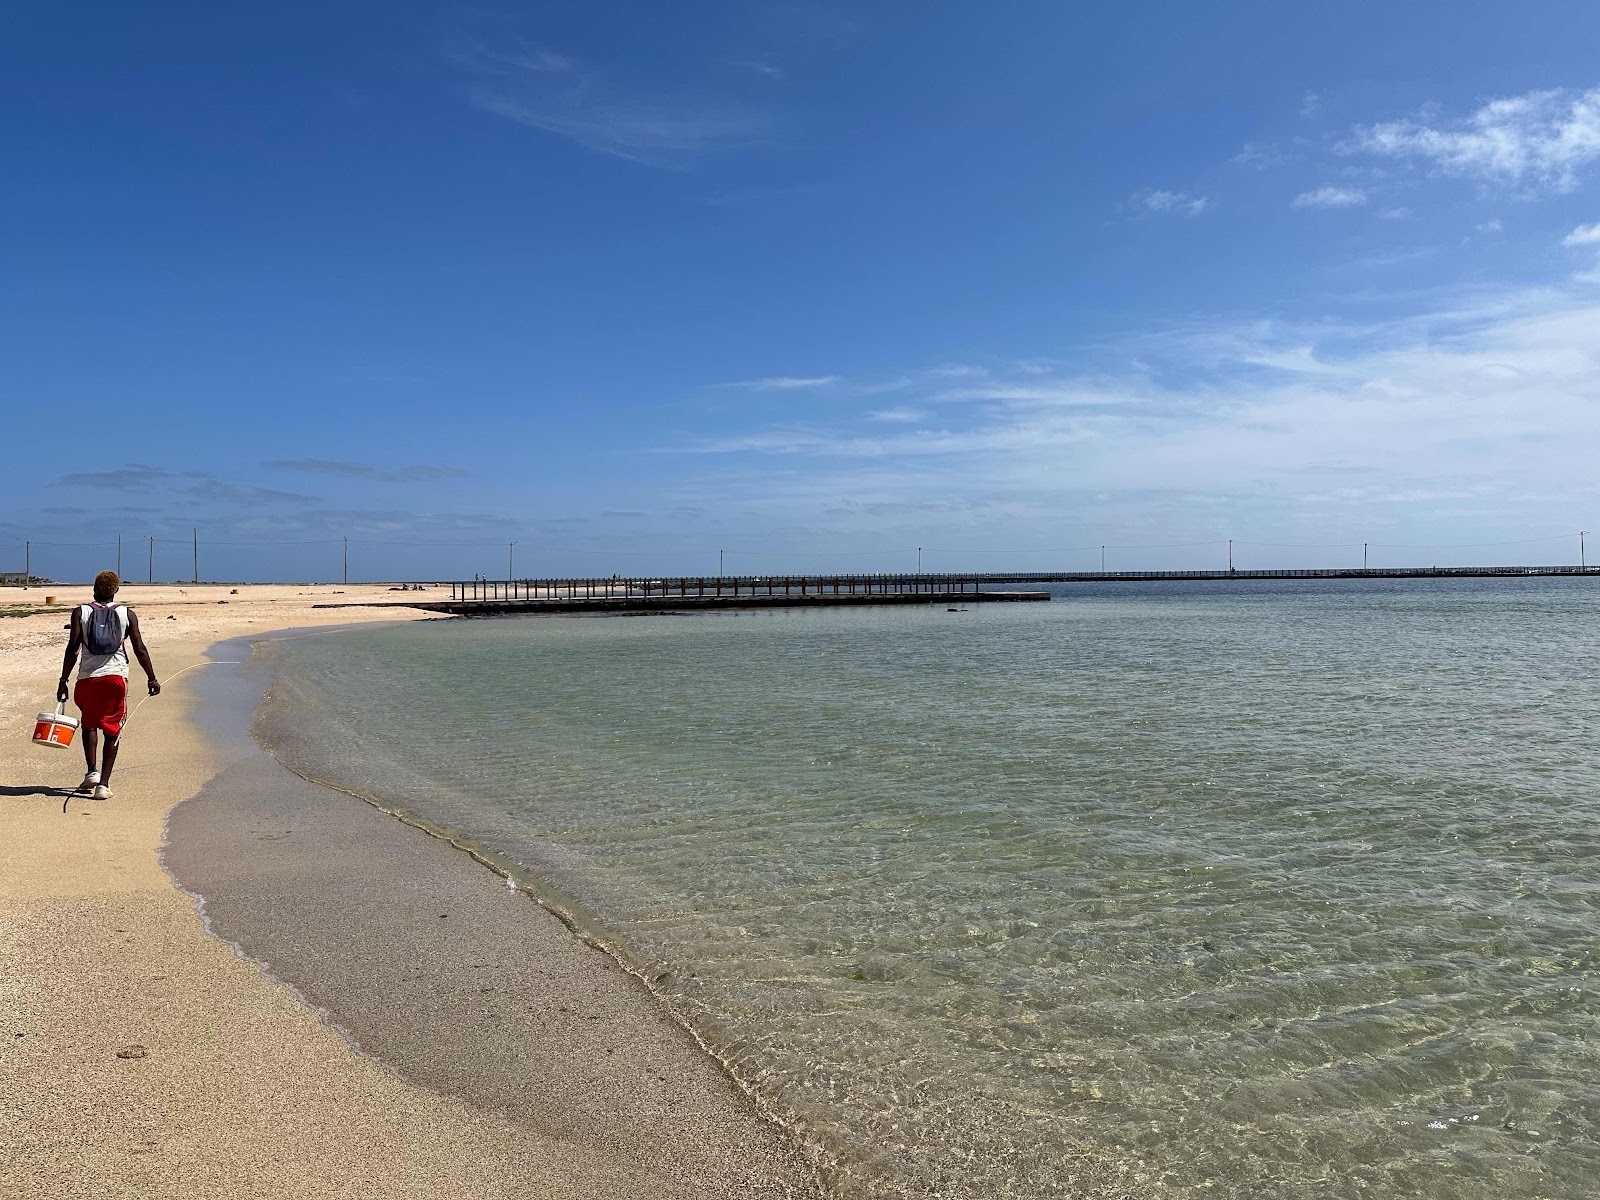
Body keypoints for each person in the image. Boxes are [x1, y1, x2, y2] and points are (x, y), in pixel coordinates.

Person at [56, 570, 159, 800]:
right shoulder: (127, 614)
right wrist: (151, 677)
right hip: (115, 678)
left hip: (87, 678)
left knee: (89, 725)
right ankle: (103, 784)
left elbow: (72, 649)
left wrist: (63, 680)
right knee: (112, 729)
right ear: (116, 590)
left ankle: (92, 771)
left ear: (94, 588)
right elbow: (139, 648)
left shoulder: (79, 612)